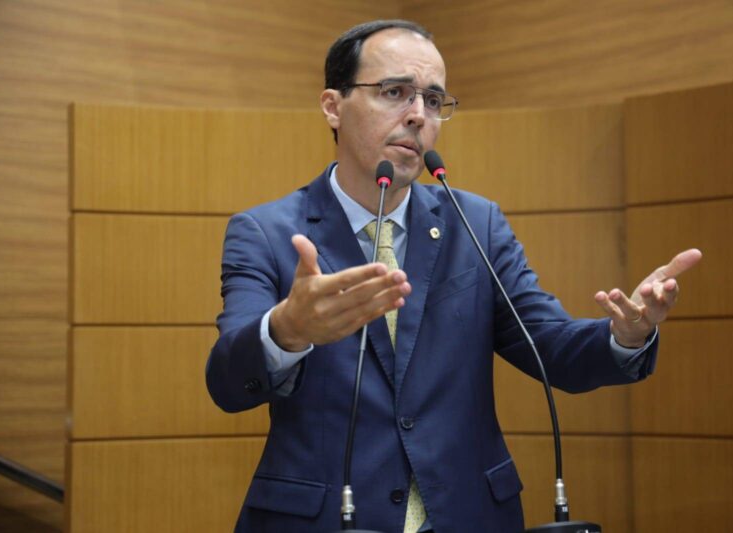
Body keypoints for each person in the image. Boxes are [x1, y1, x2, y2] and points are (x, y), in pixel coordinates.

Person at [205, 19, 701, 533]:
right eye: (394, 92)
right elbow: (227, 383)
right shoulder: (266, 233)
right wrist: (286, 331)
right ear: (333, 105)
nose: (418, 115)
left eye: (433, 99)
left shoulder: (475, 224)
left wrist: (626, 335)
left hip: (467, 514)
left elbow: (551, 346)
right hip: (327, 520)